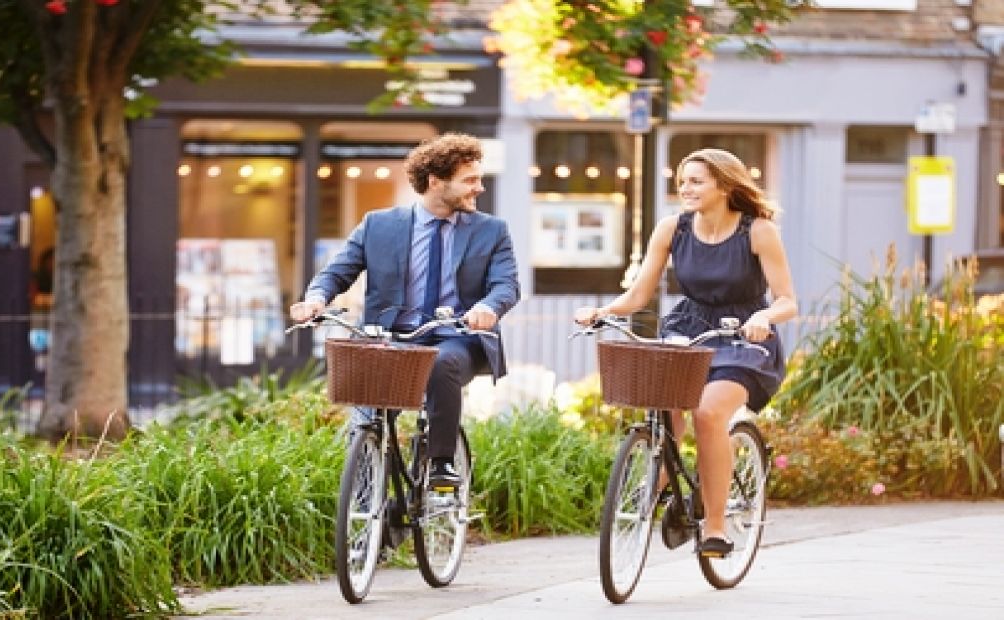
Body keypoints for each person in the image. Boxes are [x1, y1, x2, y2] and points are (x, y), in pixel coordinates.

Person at [574, 148, 796, 558]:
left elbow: (787, 301)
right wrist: (602, 311)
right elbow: (640, 293)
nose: (686, 189)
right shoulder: (672, 229)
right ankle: (662, 482)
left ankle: (714, 528)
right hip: (687, 328)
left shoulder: (758, 230)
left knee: (709, 413)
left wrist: (765, 316)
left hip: (741, 336)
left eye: (696, 181)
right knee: (663, 410)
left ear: (725, 185)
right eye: (682, 182)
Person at [290, 132, 521, 488]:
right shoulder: (378, 225)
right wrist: (316, 298)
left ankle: (442, 463)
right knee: (366, 425)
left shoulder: (491, 230)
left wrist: (488, 307)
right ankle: (370, 515)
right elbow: (338, 272)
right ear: (435, 182)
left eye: (479, 178)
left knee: (441, 361)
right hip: (389, 338)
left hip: (455, 337)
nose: (479, 188)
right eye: (469, 180)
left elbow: (506, 285)